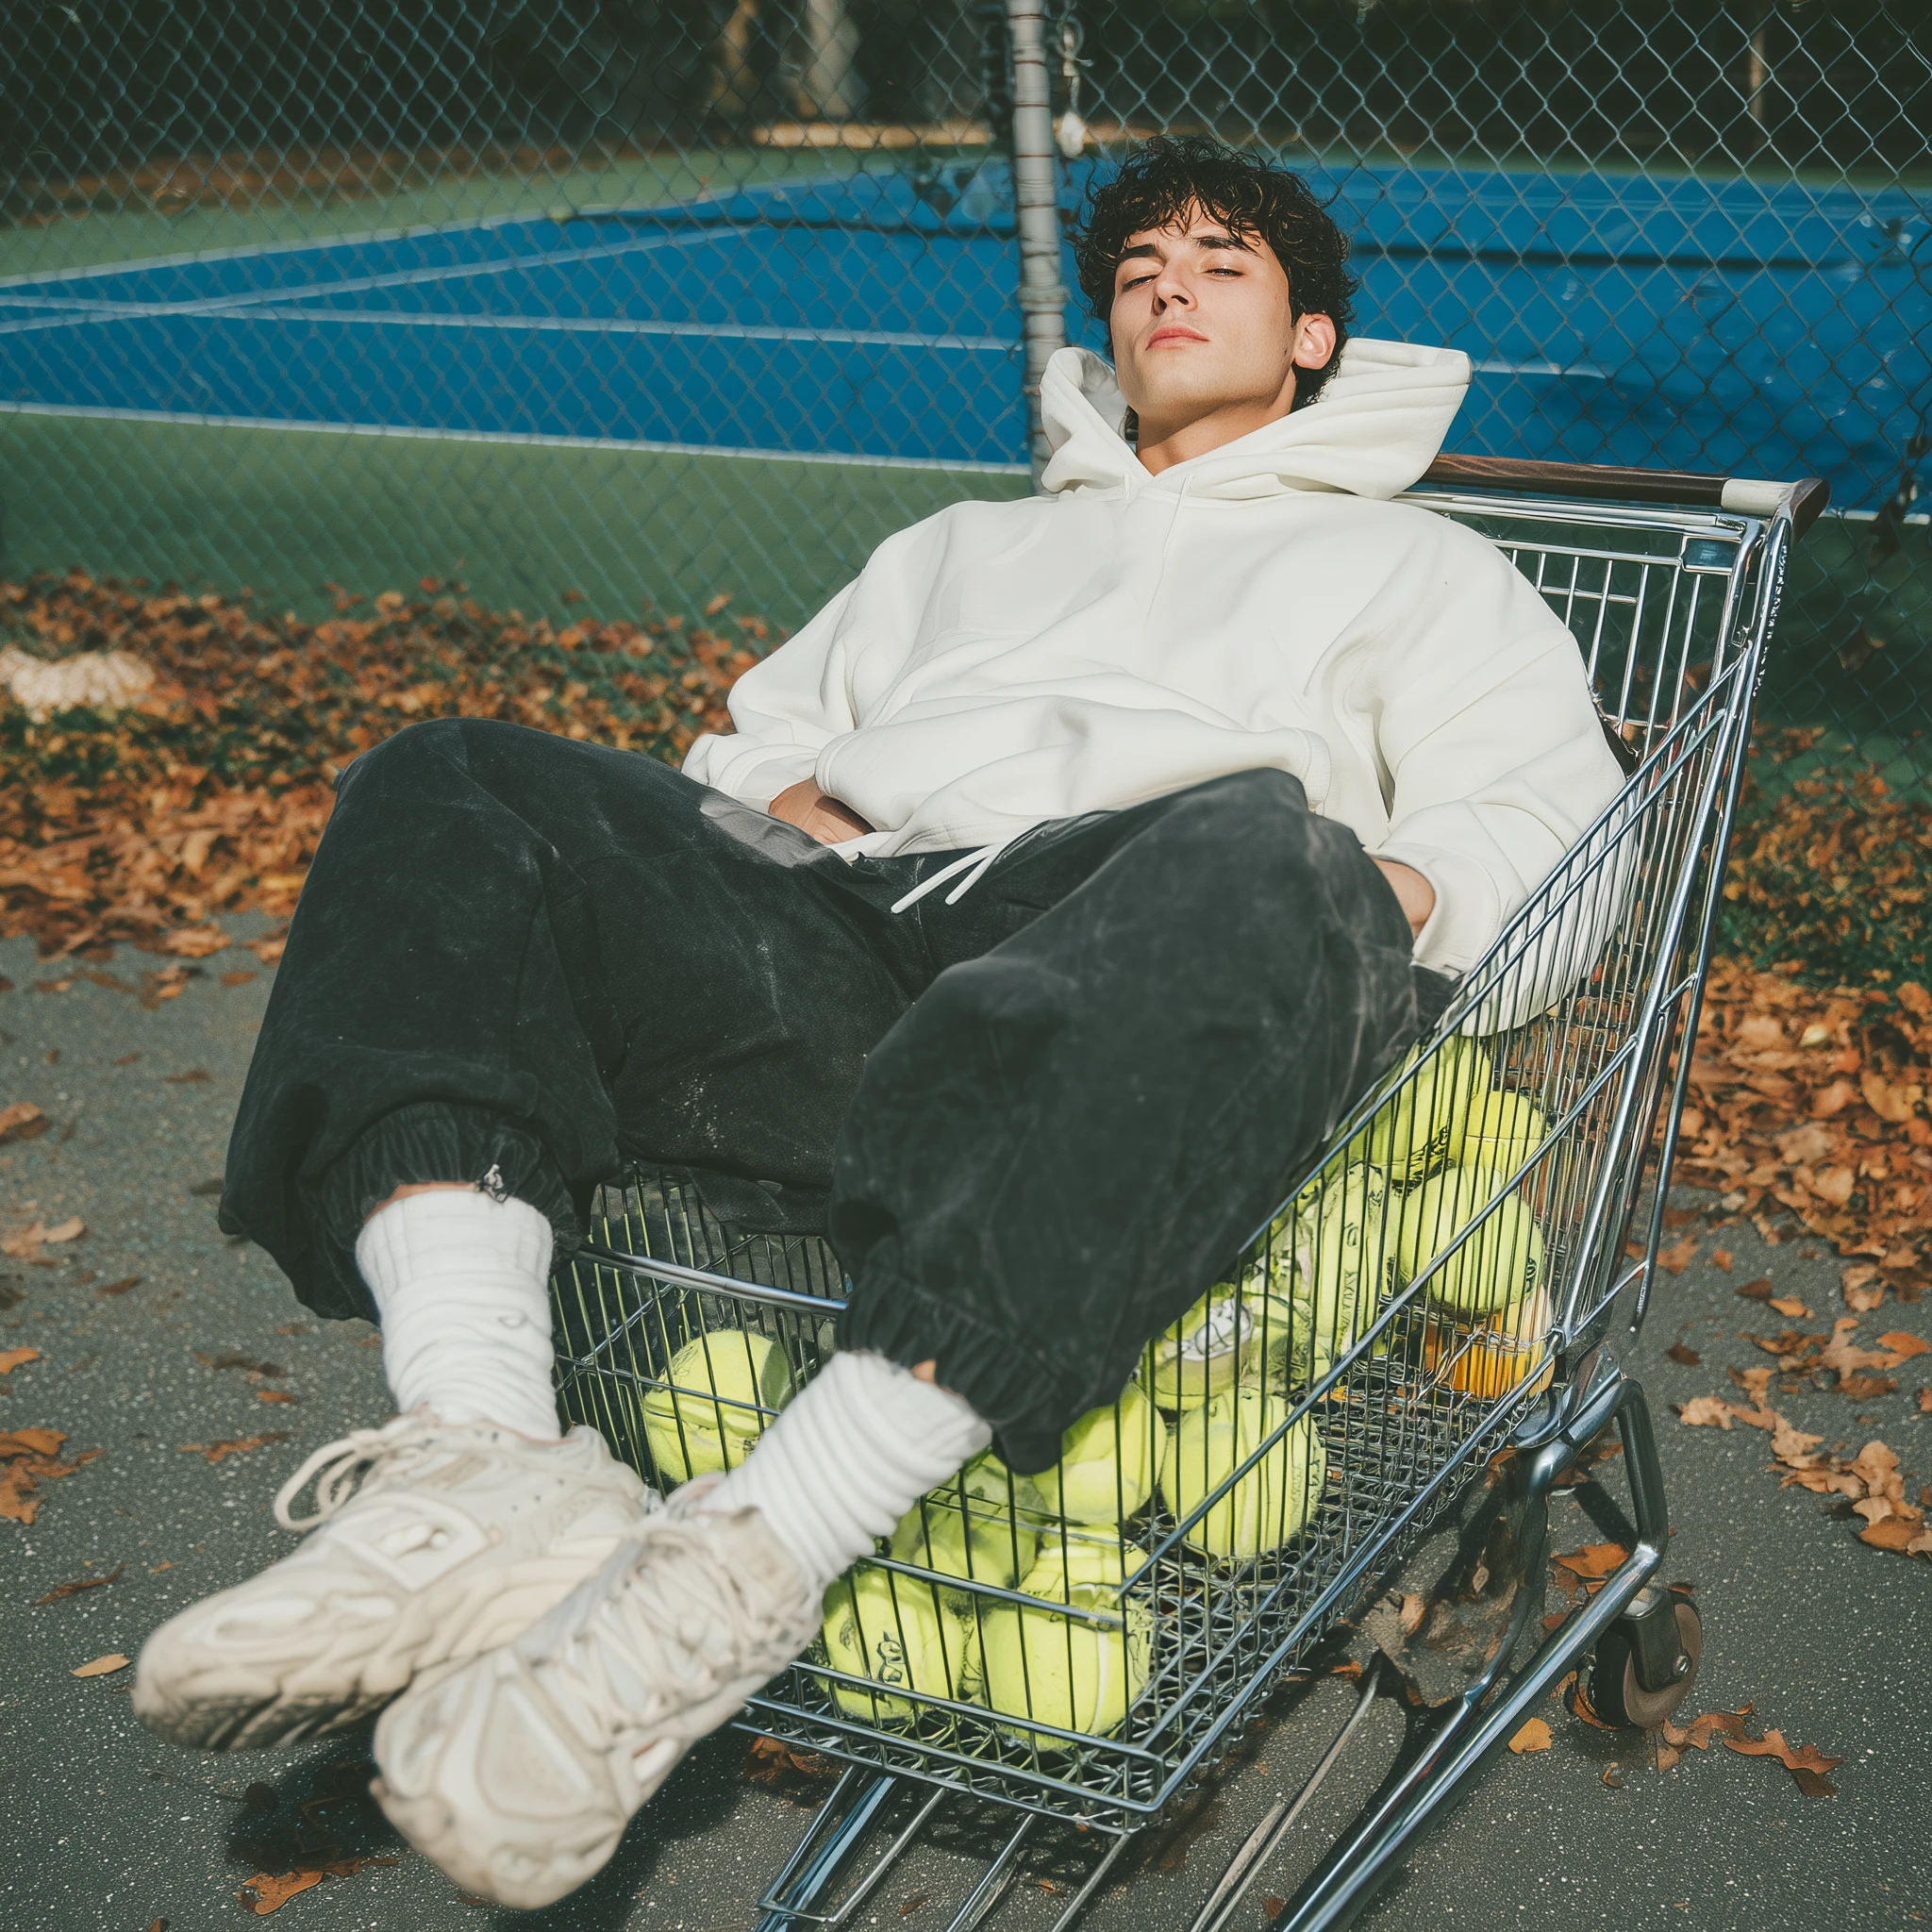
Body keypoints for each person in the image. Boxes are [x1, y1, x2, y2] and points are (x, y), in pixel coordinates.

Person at [132, 135, 1625, 1907]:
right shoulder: (958, 548)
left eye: (1223, 261)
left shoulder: (1420, 571)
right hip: (855, 928)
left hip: (1163, 950)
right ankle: (484, 1458)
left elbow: (1558, 833)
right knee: (452, 777)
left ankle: (741, 1569)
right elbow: (750, 743)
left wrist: (1383, 890)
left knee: (1267, 842)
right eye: (1139, 264)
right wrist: (791, 797)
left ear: (1312, 336)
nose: (1168, 282)